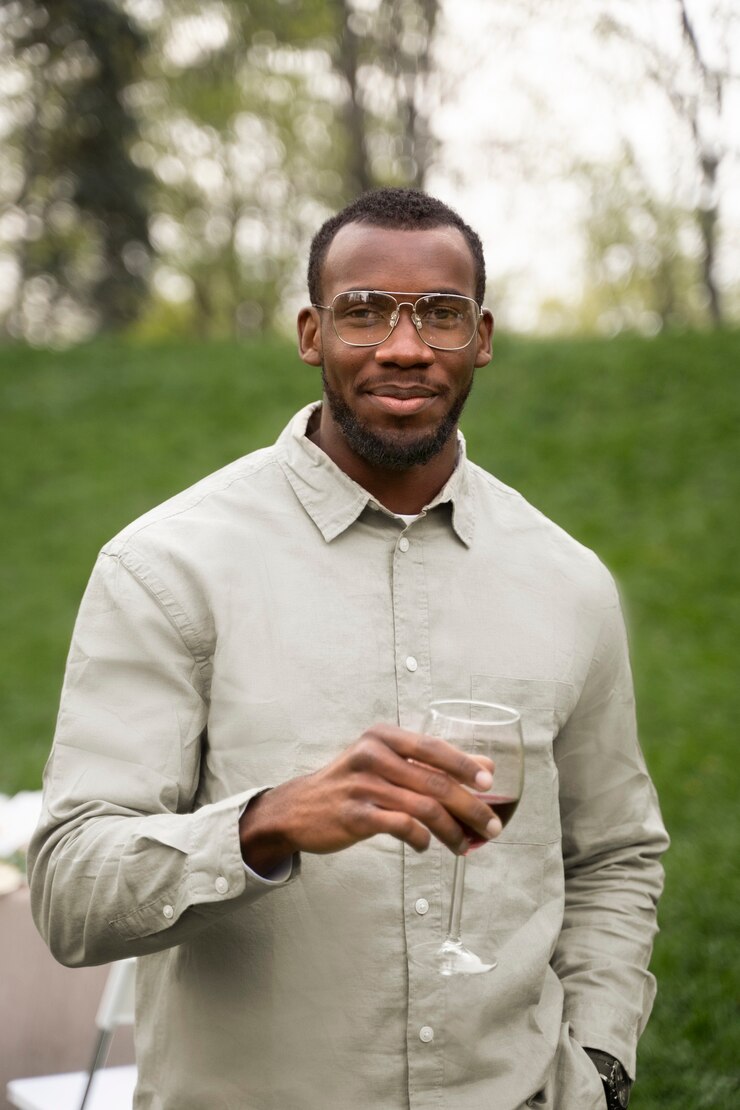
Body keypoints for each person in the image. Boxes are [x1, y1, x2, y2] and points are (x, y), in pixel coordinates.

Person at [29, 188, 668, 1110]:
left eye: (440, 316)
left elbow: (614, 854)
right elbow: (69, 891)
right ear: (310, 333)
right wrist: (265, 824)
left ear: (480, 337)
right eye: (363, 312)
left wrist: (601, 1063)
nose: (403, 348)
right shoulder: (166, 567)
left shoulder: (567, 581)